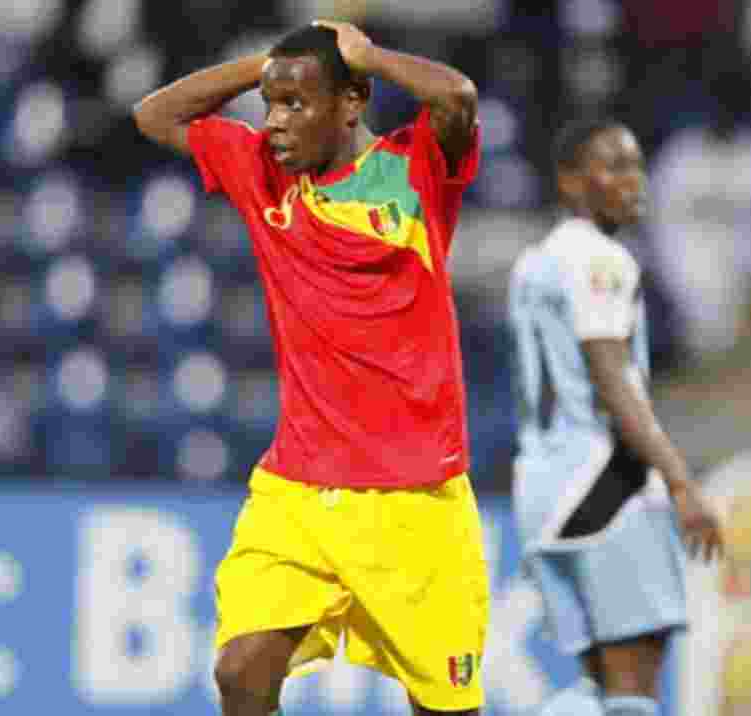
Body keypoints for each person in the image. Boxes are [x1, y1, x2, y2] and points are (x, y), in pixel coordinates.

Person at [133, 21, 487, 716]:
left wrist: (373, 57)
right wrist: (268, 67)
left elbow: (458, 100)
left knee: (446, 710)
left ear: (351, 103)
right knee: (241, 674)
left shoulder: (413, 172)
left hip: (414, 499)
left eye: (295, 105)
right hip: (298, 490)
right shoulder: (258, 170)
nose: (273, 123)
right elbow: (154, 115)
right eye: (270, 105)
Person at [507, 118, 724, 716]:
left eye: (636, 166)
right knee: (634, 686)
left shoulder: (532, 262)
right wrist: (680, 480)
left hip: (541, 484)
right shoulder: (603, 260)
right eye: (614, 166)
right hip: (605, 484)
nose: (634, 181)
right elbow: (611, 381)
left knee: (599, 686)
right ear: (571, 181)